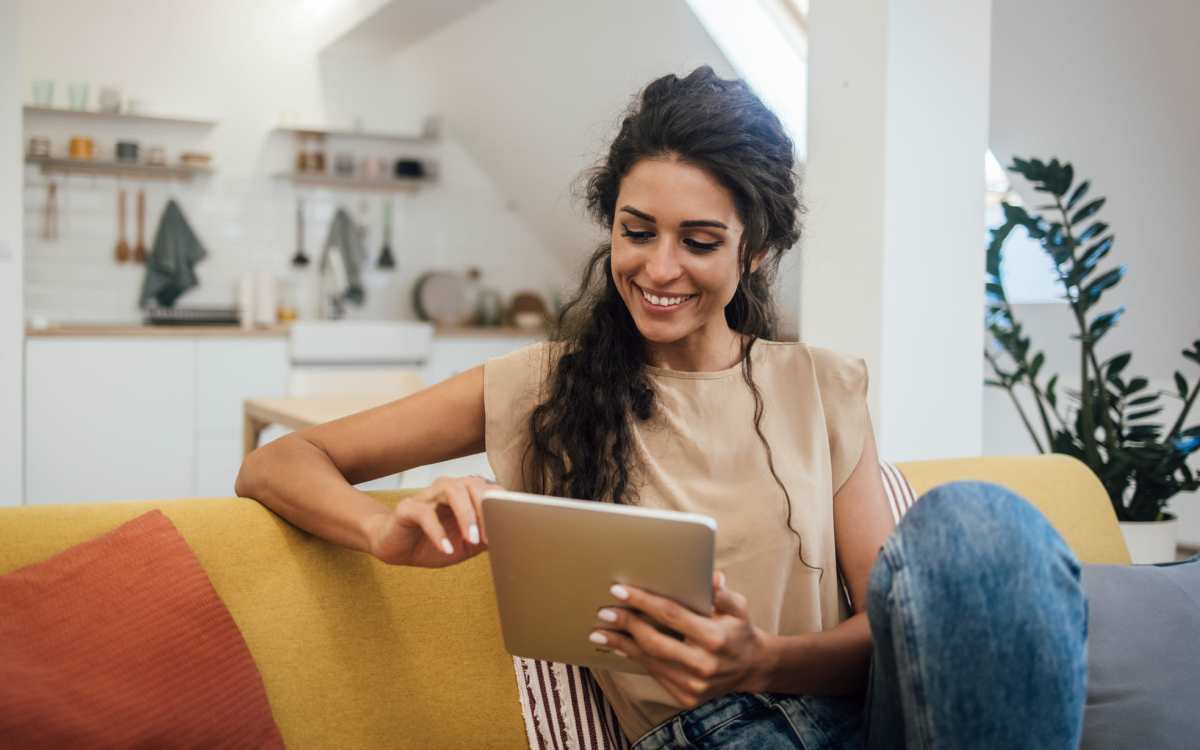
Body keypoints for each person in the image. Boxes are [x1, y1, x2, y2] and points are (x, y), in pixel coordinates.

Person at [235, 66, 1088, 749]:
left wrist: (763, 662)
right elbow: (276, 463)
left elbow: (890, 631)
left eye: (700, 241)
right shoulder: (545, 384)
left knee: (981, 521)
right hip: (708, 737)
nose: (659, 268)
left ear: (755, 251)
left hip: (868, 721)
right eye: (636, 231)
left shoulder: (823, 387)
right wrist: (383, 533)